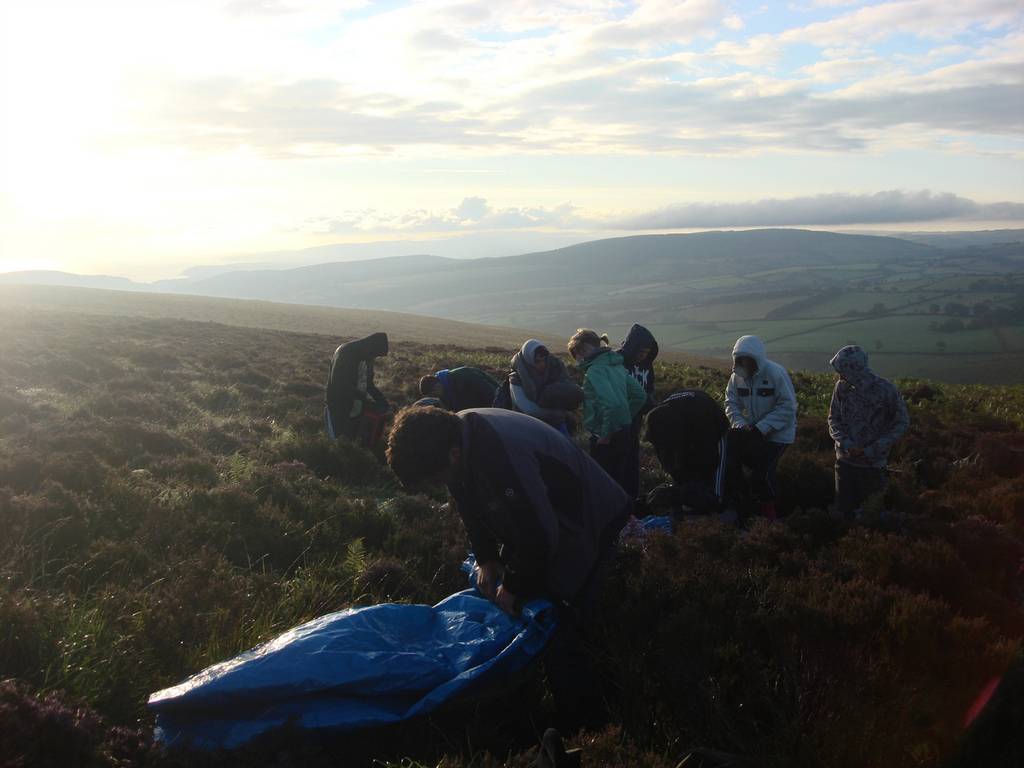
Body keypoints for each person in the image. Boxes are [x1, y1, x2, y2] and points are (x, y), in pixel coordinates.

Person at [385, 405, 632, 729]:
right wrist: (486, 558)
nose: (438, 484)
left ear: (454, 455)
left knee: (564, 614)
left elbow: (541, 534)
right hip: (548, 518)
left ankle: (590, 724)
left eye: (434, 477)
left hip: (588, 517)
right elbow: (469, 504)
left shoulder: (496, 452)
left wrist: (514, 586)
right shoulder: (455, 438)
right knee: (536, 599)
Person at [828, 345, 909, 520]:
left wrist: (872, 449)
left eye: (843, 371)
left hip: (872, 466)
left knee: (872, 516)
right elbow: (833, 420)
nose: (839, 376)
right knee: (843, 515)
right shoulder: (841, 387)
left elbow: (901, 423)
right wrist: (847, 444)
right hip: (844, 464)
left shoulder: (886, 390)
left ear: (856, 368)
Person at [724, 335, 797, 521]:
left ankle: (772, 516)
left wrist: (762, 428)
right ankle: (749, 509)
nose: (744, 363)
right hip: (751, 432)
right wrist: (740, 425)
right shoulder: (736, 377)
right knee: (736, 468)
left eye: (748, 359)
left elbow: (788, 406)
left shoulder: (775, 374)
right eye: (739, 359)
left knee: (762, 473)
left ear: (758, 358)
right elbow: (730, 403)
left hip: (778, 435)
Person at [568, 329, 648, 491]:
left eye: (575, 356)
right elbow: (640, 395)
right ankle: (624, 514)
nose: (577, 361)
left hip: (604, 435)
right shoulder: (616, 364)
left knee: (602, 484)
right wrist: (625, 418)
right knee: (619, 481)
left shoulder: (595, 371)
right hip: (624, 431)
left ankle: (607, 516)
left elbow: (611, 404)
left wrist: (605, 434)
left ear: (581, 351)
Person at [644, 390, 730, 516]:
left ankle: (717, 507)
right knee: (683, 474)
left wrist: (701, 491)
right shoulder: (657, 419)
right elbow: (666, 455)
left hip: (714, 426)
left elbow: (709, 457)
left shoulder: (701, 419)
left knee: (714, 472)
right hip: (687, 423)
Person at [496, 339, 583, 433]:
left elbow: (567, 390)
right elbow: (528, 409)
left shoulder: (555, 367)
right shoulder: (516, 377)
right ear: (529, 360)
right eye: (537, 361)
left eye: (544, 360)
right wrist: (561, 413)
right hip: (527, 423)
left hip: (557, 422)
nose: (542, 364)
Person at [324, 332, 390, 446]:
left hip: (355, 407)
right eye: (376, 354)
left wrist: (382, 401)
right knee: (337, 440)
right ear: (372, 346)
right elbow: (342, 385)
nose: (375, 357)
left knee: (352, 441)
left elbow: (368, 384)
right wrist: (361, 400)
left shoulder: (367, 357)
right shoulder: (346, 353)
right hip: (338, 405)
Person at [617, 324, 659, 499]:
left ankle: (631, 498)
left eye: (647, 352)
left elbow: (649, 388)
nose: (643, 356)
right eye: (640, 351)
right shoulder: (617, 361)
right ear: (632, 347)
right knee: (618, 462)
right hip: (617, 423)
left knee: (632, 461)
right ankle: (617, 498)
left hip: (635, 421)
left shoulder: (647, 366)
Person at [418, 366, 499, 412]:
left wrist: (499, 407)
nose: (436, 397)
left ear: (437, 387)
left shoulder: (463, 375)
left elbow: (490, 392)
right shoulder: (445, 396)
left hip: (496, 404)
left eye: (434, 394)